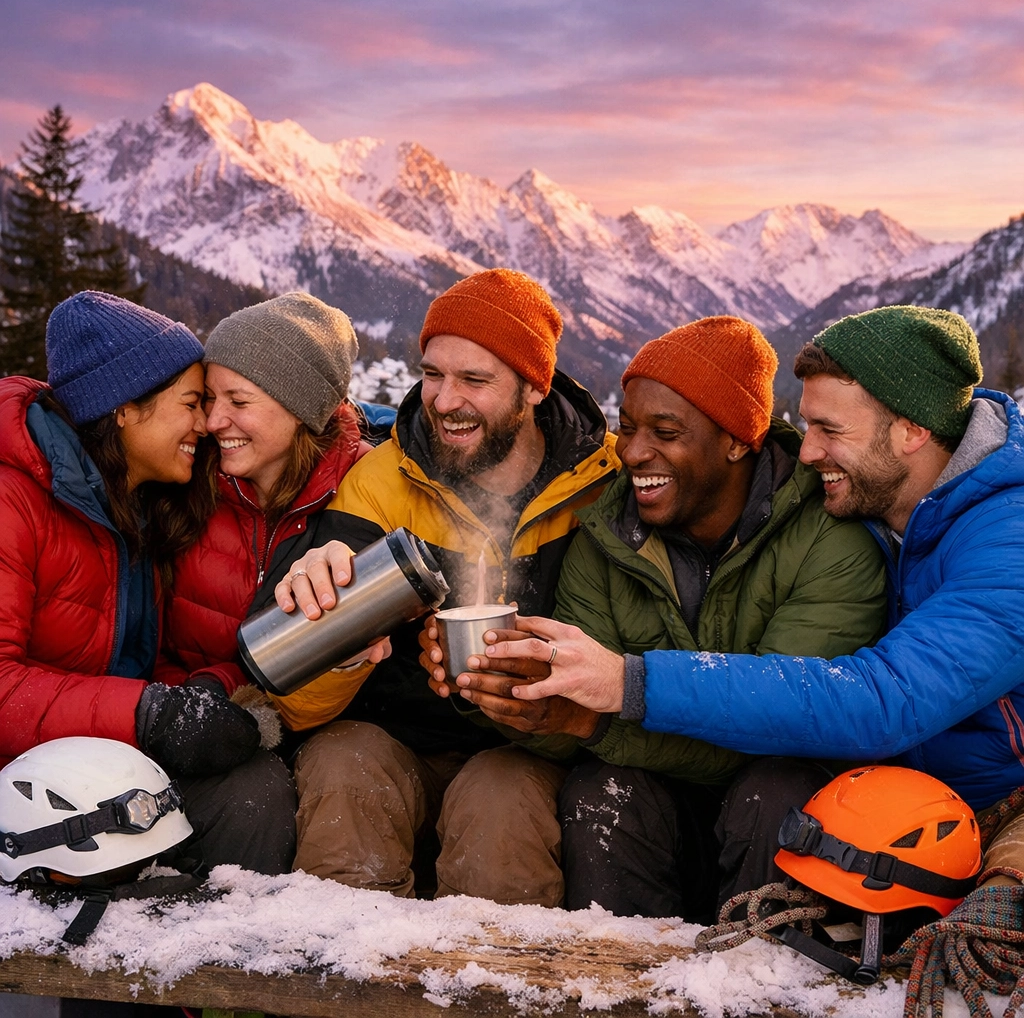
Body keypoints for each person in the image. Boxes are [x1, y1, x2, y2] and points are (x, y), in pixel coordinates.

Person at [489, 305, 1024, 899]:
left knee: (779, 790)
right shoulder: (884, 508)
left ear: (912, 430)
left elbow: (884, 700)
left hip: (982, 817)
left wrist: (629, 682)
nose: (808, 451)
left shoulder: (1008, 538)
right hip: (895, 806)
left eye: (831, 431)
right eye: (807, 426)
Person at [429, 317, 888, 920]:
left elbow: (787, 728)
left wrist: (593, 721)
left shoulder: (828, 541)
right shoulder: (607, 538)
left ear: (736, 440)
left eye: (665, 432)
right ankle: (619, 986)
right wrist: (511, 696)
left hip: (777, 814)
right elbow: (571, 727)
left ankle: (759, 982)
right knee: (603, 790)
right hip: (661, 807)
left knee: (775, 790)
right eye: (628, 425)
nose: (633, 451)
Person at [261, 268, 618, 904]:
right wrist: (336, 649)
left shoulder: (599, 483)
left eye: (474, 380)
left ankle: (491, 986)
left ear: (534, 387)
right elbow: (292, 703)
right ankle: (341, 986)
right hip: (393, 739)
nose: (445, 400)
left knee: (500, 799)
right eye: (432, 374)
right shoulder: (382, 481)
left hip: (532, 750)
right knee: (344, 766)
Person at [0, 290, 287, 878]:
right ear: (125, 409)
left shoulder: (139, 504)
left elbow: (140, 664)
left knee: (252, 790)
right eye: (190, 403)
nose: (205, 425)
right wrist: (150, 715)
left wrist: (202, 694)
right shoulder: (15, 502)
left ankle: (228, 960)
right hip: (28, 790)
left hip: (104, 764)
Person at [163, 291, 370, 690]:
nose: (213, 421)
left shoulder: (364, 490)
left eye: (239, 401)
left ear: (301, 409)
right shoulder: (184, 482)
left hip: (319, 728)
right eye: (209, 398)